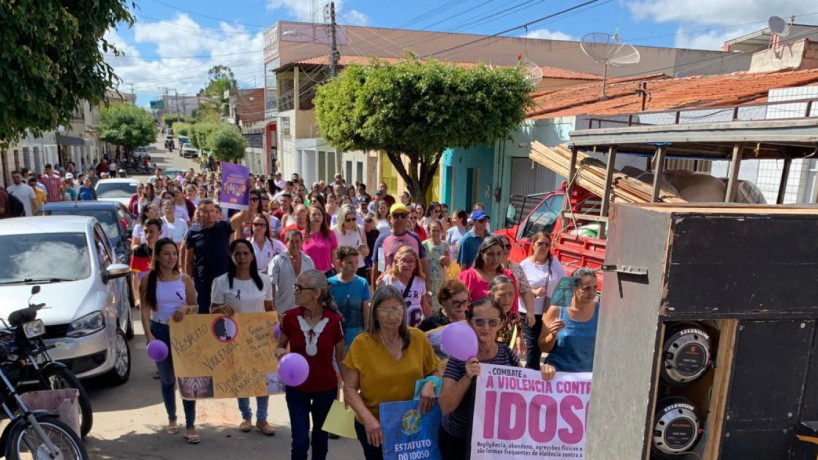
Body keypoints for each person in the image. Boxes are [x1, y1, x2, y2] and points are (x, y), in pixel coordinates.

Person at [438, 297, 556, 458]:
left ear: (500, 324)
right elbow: (445, 406)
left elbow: (528, 388)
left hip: (494, 440)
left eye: (493, 322)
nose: (486, 328)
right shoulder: (459, 357)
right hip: (459, 439)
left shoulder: (506, 353)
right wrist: (467, 377)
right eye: (479, 322)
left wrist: (544, 374)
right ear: (470, 322)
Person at [342, 285, 441, 460]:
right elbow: (349, 389)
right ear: (375, 314)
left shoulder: (418, 337)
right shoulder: (362, 344)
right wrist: (368, 419)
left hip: (412, 423)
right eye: (384, 310)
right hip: (376, 425)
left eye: (396, 309)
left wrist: (431, 383)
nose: (391, 316)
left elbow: (435, 369)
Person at [276, 270, 345, 460]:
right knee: (300, 441)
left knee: (320, 439)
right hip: (297, 389)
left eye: (299, 288)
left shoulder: (334, 321)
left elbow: (341, 357)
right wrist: (280, 354)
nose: (294, 291)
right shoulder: (288, 317)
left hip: (326, 388)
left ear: (315, 294)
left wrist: (349, 389)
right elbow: (279, 347)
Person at [210, 239, 277, 436]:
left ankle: (262, 418)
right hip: (234, 338)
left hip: (260, 338)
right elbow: (212, 310)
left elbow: (269, 309)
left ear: (252, 256)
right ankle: (246, 415)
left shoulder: (264, 281)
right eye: (237, 254)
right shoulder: (221, 282)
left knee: (261, 376)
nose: (242, 257)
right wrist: (220, 309)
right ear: (231, 257)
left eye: (245, 253)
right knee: (241, 376)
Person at [138, 238, 200, 443]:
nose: (171, 257)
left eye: (174, 253)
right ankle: (172, 417)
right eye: (166, 253)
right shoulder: (148, 279)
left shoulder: (184, 279)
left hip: (183, 333)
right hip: (160, 331)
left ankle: (191, 425)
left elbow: (195, 307)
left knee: (186, 378)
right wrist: (149, 335)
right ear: (157, 256)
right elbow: (145, 311)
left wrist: (185, 310)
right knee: (167, 379)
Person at [183, 199, 242, 314]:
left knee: (225, 314)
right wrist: (190, 283)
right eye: (205, 211)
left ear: (217, 213)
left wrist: (245, 196)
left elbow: (243, 216)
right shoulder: (192, 232)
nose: (209, 214)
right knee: (204, 314)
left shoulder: (224, 227)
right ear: (199, 213)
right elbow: (188, 261)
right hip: (202, 281)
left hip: (224, 280)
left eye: (212, 211)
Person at [520, 231, 566, 370]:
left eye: (547, 244)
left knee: (547, 344)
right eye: (540, 243)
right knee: (533, 346)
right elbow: (519, 289)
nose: (544, 247)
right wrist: (533, 292)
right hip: (529, 312)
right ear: (533, 245)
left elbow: (565, 283)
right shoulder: (525, 265)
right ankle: (530, 374)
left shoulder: (554, 263)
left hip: (548, 312)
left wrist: (561, 308)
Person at [540, 267, 599, 372]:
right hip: (559, 377)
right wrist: (552, 336)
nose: (592, 293)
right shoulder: (557, 310)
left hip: (586, 379)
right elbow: (543, 347)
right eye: (587, 288)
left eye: (595, 287)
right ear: (574, 288)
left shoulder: (600, 311)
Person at [371, 203, 428, 287]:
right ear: (390, 218)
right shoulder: (381, 241)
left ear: (407, 217)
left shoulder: (415, 238)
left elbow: (423, 264)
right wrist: (375, 293)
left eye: (403, 215)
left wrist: (428, 289)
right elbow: (379, 268)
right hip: (390, 288)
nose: (400, 219)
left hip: (412, 288)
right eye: (396, 216)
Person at [376, 246, 430, 328]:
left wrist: (432, 324)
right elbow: (378, 306)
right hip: (393, 330)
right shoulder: (387, 280)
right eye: (403, 260)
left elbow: (425, 306)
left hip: (415, 330)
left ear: (415, 264)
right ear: (396, 262)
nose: (407, 264)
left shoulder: (419, 281)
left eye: (411, 261)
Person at [328, 246, 371, 347]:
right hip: (336, 334)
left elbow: (366, 310)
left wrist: (367, 330)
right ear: (339, 263)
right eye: (350, 263)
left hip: (356, 335)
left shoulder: (362, 282)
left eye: (356, 262)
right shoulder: (329, 283)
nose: (354, 266)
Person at [458, 235, 518, 305]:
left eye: (499, 253)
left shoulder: (508, 276)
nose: (495, 258)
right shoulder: (468, 276)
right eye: (490, 254)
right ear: (482, 254)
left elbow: (514, 306)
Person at [269, 230, 316, 314]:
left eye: (297, 241)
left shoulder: (308, 261)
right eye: (291, 242)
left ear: (301, 242)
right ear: (286, 242)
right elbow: (271, 284)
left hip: (303, 310)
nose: (295, 245)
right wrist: (273, 307)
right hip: (282, 310)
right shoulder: (277, 260)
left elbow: (313, 285)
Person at [130, 218, 162, 309]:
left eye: (152, 232)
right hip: (145, 293)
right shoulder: (138, 251)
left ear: (160, 232)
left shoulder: (164, 249)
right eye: (146, 231)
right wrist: (137, 298)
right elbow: (135, 276)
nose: (148, 235)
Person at [333, 204, 369, 279]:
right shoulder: (334, 231)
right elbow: (333, 254)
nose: (351, 222)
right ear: (341, 219)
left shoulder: (360, 229)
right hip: (343, 269)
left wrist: (364, 251)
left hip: (359, 267)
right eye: (348, 220)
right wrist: (339, 272)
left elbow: (366, 250)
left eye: (354, 219)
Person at [301, 205, 338, 276]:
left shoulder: (330, 234)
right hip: (309, 276)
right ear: (308, 216)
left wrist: (340, 276)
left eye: (319, 214)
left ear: (323, 217)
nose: (317, 217)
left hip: (328, 275)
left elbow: (334, 258)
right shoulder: (302, 235)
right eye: (314, 214)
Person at [421, 220, 449, 312]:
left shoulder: (444, 245)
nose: (436, 233)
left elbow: (448, 264)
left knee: (441, 308)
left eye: (438, 230)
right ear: (429, 231)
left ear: (441, 231)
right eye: (433, 230)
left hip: (440, 282)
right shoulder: (424, 245)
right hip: (429, 282)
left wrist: (445, 261)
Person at [489, 275, 522, 350]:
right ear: (491, 295)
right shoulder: (483, 319)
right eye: (502, 295)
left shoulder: (513, 318)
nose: (507, 300)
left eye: (511, 294)